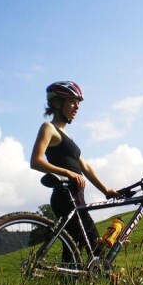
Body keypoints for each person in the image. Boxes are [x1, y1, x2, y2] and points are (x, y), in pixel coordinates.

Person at [30, 81, 118, 262]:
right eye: (72, 101)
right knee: (95, 247)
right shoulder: (49, 128)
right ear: (56, 103)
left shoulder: (68, 136)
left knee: (73, 247)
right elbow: (36, 161)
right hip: (65, 194)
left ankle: (66, 283)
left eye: (78, 102)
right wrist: (68, 173)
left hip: (75, 195)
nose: (77, 106)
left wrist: (106, 190)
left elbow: (85, 167)